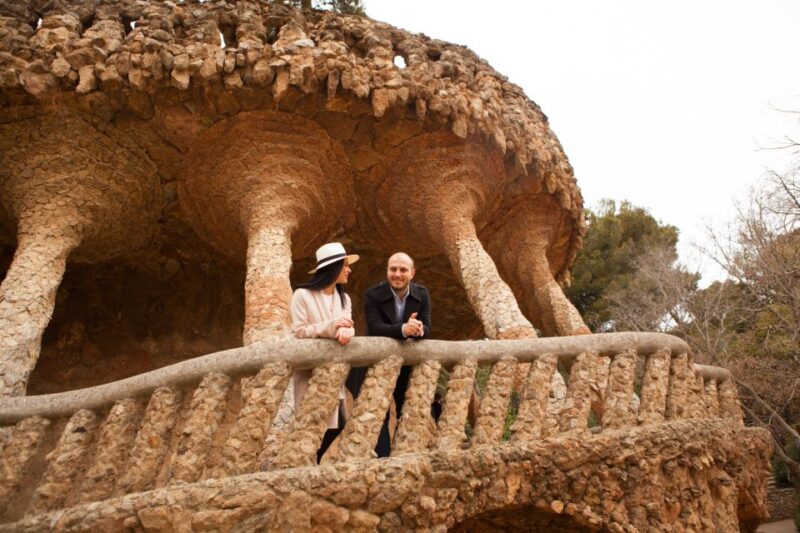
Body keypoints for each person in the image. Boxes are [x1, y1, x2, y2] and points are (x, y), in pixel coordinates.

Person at [290, 242, 358, 462]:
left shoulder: (344, 298)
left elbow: (347, 324)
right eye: (345, 265)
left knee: (337, 422)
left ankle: (313, 460)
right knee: (311, 421)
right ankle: (305, 463)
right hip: (310, 373)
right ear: (334, 267)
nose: (349, 270)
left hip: (333, 372)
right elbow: (299, 331)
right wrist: (333, 326)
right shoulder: (301, 295)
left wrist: (348, 330)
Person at [362, 252, 432, 457]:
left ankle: (405, 454)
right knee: (377, 409)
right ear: (387, 271)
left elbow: (427, 327)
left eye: (403, 270)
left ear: (412, 273)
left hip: (407, 364)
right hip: (378, 363)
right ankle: (381, 457)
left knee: (408, 407)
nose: (397, 274)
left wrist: (418, 329)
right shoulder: (372, 294)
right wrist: (403, 329)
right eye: (393, 269)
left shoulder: (422, 294)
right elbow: (375, 327)